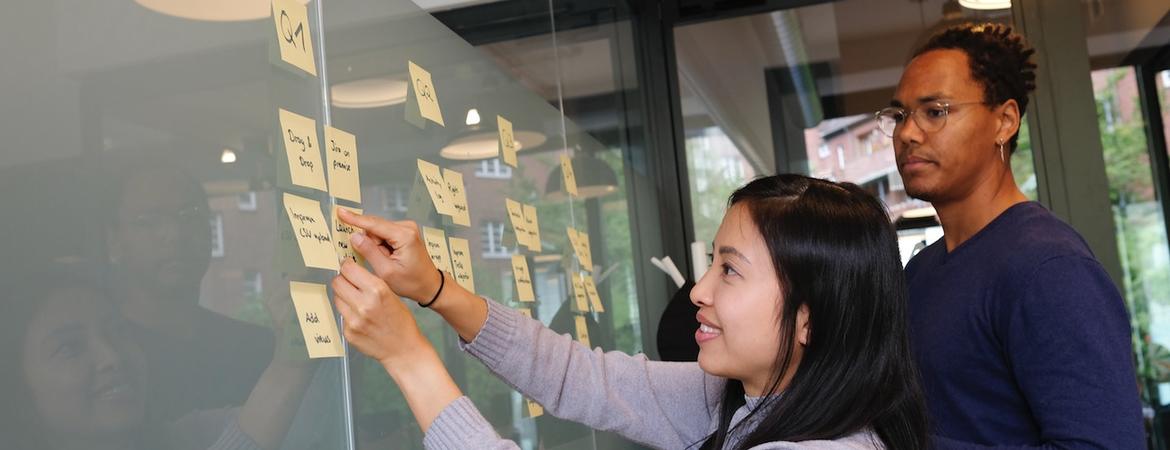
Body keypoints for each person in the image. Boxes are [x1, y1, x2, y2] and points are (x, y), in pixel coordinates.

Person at [331, 174, 929, 449]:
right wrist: (436, 289)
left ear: (809, 319)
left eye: (730, 269)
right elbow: (578, 377)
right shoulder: (745, 397)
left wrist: (408, 359)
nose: (699, 291)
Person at [877, 23, 1145, 447]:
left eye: (935, 111)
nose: (907, 133)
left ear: (1004, 121)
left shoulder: (1050, 270)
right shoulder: (920, 272)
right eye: (900, 115)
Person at [0, 265, 315, 450]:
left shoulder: (186, 436)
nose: (111, 357)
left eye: (117, 332)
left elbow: (297, 422)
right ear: (17, 384)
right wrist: (290, 364)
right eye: (70, 348)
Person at [103, 160, 276, 421]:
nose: (174, 234)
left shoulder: (259, 349)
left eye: (190, 216)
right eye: (148, 221)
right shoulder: (108, 362)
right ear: (114, 242)